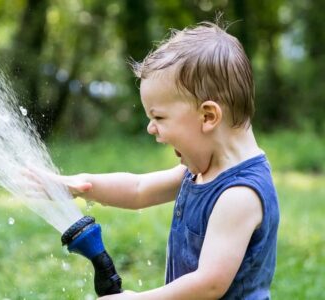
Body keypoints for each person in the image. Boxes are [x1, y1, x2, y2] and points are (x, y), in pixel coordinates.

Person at [26, 21, 279, 299]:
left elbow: (210, 283)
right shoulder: (201, 172)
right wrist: (81, 185)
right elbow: (138, 189)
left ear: (208, 116)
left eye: (158, 117)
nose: (151, 128)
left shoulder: (239, 195)